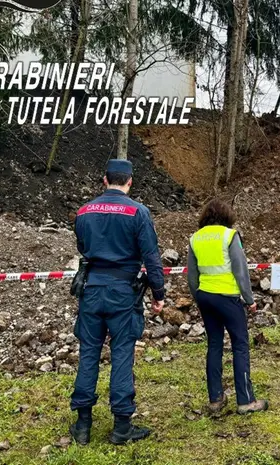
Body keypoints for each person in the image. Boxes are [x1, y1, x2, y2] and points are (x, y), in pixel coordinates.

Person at [69, 159, 166, 445]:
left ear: (104, 179)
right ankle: (122, 425)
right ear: (130, 181)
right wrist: (158, 293)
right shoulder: (138, 212)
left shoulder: (84, 211)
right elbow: (151, 257)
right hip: (123, 292)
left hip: (91, 290)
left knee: (88, 353)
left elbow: (83, 247)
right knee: (122, 353)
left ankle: (83, 425)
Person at [187, 199, 269, 415]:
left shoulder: (195, 238)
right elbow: (241, 271)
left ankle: (215, 399)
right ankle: (246, 401)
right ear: (227, 216)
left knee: (214, 344)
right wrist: (249, 299)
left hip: (205, 296)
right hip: (227, 298)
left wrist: (199, 298)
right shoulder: (230, 236)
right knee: (240, 344)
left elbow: (192, 276)